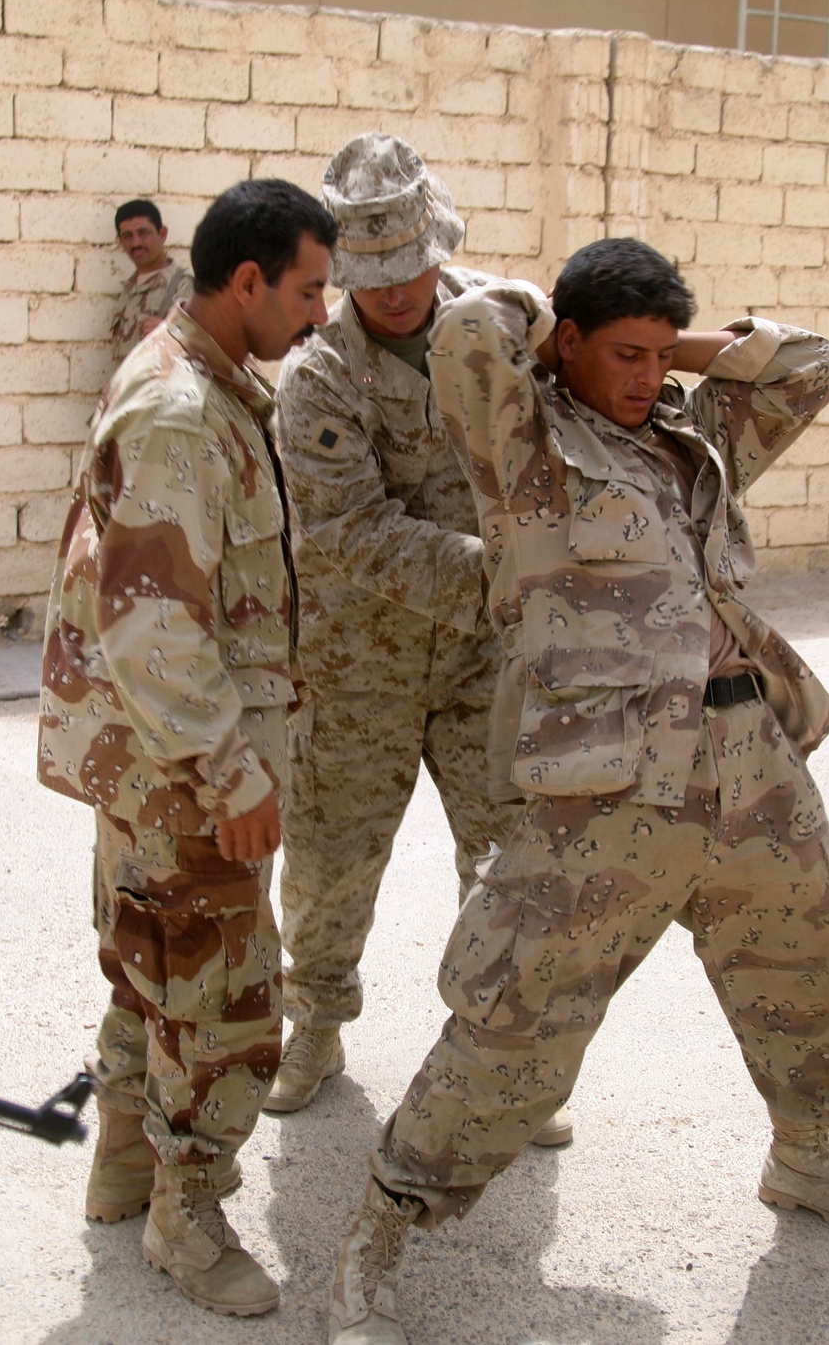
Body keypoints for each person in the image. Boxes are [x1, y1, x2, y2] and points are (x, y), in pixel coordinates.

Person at [328, 238, 829, 1344]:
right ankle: (379, 1233)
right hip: (606, 795)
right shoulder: (525, 448)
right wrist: (562, 321)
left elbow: (809, 366)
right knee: (511, 1023)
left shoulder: (701, 440)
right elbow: (467, 333)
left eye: (662, 355)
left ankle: (805, 1157)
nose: (649, 375)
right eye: (625, 355)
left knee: (821, 963)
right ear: (564, 346)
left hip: (750, 764)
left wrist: (673, 330)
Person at [38, 178, 337, 1316]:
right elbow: (154, 625)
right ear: (249, 280)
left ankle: (122, 1173)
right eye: (308, 291)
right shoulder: (179, 410)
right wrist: (233, 771)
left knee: (146, 967)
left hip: (152, 763)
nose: (319, 315)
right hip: (186, 771)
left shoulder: (207, 381)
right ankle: (187, 1219)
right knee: (220, 1006)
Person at [265, 134, 569, 1145]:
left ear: (436, 247)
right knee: (330, 857)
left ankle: (503, 1054)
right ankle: (315, 1021)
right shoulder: (316, 376)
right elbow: (348, 534)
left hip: (489, 661)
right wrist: (511, 570)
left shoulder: (495, 323)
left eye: (410, 269)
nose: (396, 293)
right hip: (362, 662)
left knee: (511, 855)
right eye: (371, 277)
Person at [110, 198, 193, 359]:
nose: (136, 243)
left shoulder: (184, 285)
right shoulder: (128, 291)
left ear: (162, 234)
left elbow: (211, 348)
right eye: (127, 236)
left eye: (143, 233)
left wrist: (170, 333)